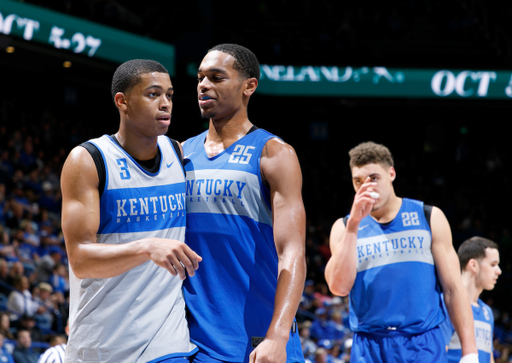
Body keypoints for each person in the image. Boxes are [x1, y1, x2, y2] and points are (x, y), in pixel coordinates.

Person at [60, 59, 201, 362]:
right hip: (102, 345)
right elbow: (81, 260)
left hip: (168, 341)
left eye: (170, 95)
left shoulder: (177, 153)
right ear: (122, 101)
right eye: (153, 94)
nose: (165, 104)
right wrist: (147, 247)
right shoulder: (88, 160)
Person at [183, 43, 306, 363]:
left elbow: (292, 252)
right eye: (200, 77)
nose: (203, 85)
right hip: (194, 341)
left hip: (260, 339)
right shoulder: (180, 154)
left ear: (248, 86)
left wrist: (278, 336)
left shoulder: (274, 153)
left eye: (216, 77)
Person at [324, 141, 478, 363]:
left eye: (373, 178)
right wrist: (354, 225)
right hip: (370, 345)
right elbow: (338, 287)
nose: (366, 187)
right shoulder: (344, 227)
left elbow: (453, 288)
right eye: (358, 181)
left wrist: (469, 350)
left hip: (423, 343)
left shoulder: (429, 216)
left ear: (391, 174)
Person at [441, 237, 501, 363]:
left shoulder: (487, 312)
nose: (499, 271)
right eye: (493, 265)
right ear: (473, 265)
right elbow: (437, 355)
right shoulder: (447, 303)